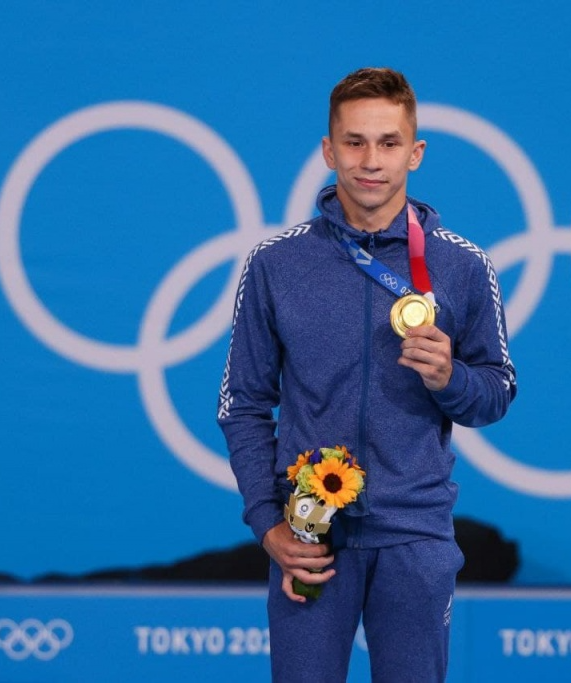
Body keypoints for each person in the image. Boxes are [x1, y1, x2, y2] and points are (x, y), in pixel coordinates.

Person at [217, 66, 516, 682]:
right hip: (309, 536)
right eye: (353, 142)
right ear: (329, 151)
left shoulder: (462, 266)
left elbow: (496, 393)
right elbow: (242, 405)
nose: (370, 160)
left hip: (415, 537)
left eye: (388, 143)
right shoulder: (276, 264)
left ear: (416, 152)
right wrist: (268, 524)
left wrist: (449, 378)